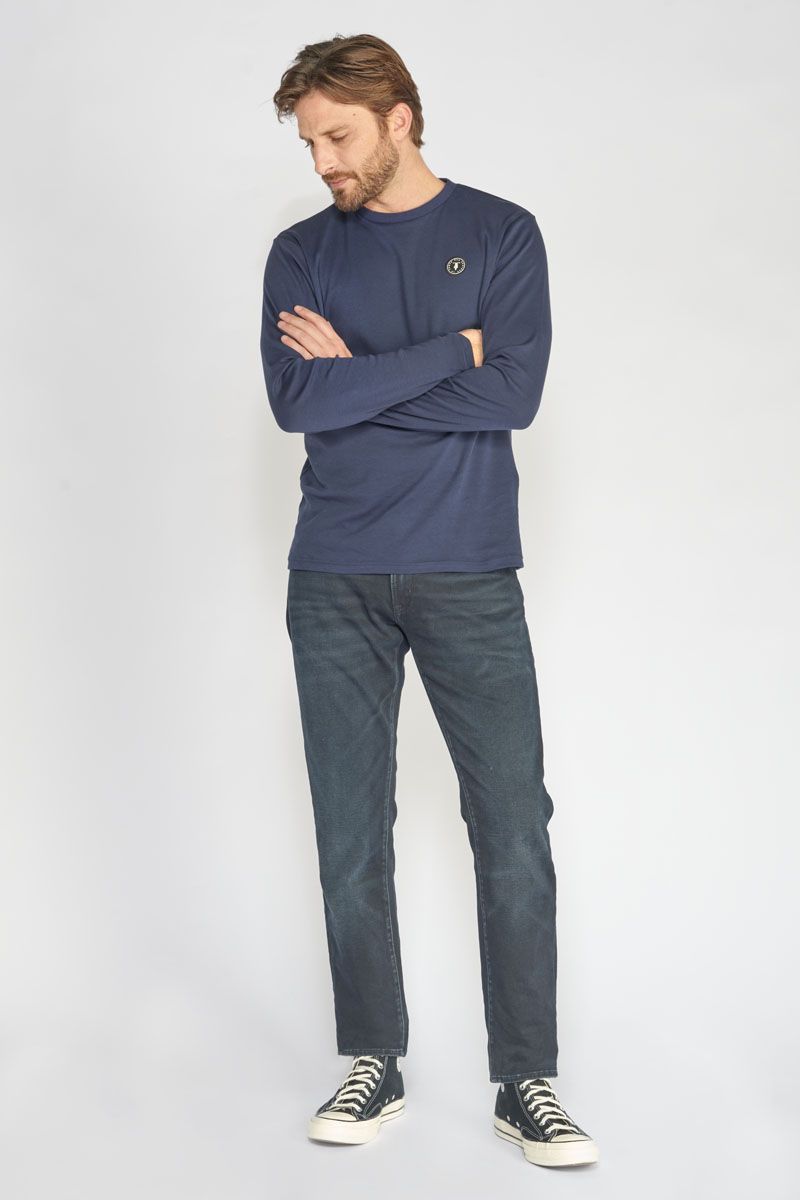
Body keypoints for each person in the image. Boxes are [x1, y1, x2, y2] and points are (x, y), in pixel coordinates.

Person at [260, 32, 598, 1169]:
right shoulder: (300, 253)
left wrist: (356, 379)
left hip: (467, 568)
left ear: (400, 117)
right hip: (334, 577)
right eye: (309, 143)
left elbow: (513, 395)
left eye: (337, 136)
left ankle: (526, 1081)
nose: (322, 162)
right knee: (349, 834)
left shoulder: (501, 234)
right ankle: (374, 1060)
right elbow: (298, 405)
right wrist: (449, 350)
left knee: (511, 828)